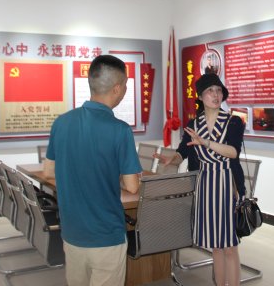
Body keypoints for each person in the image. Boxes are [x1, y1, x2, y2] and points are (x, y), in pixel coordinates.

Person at [44, 54, 141, 286]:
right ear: (117, 88)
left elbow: (48, 171)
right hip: (107, 235)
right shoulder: (120, 130)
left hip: (72, 233)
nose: (125, 90)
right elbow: (132, 186)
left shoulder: (61, 122)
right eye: (125, 85)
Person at [155, 73, 245, 286]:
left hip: (226, 184)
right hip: (205, 185)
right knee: (216, 245)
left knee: (229, 245)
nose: (215, 95)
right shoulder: (194, 124)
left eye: (219, 90)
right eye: (210, 91)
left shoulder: (233, 121)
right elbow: (183, 150)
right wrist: (173, 158)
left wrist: (205, 142)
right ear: (201, 96)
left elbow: (233, 152)